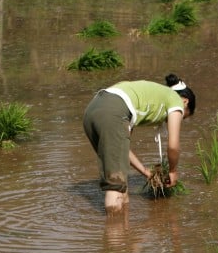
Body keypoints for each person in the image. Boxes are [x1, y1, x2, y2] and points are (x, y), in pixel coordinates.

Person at [82, 73, 196, 214]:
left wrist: (146, 172)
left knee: (122, 186)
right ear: (185, 101)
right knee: (116, 186)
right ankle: (114, 233)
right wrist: (173, 171)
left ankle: (126, 233)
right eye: (183, 116)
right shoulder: (176, 101)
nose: (179, 119)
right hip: (113, 111)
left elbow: (123, 151)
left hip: (92, 111)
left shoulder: (150, 97)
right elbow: (173, 145)